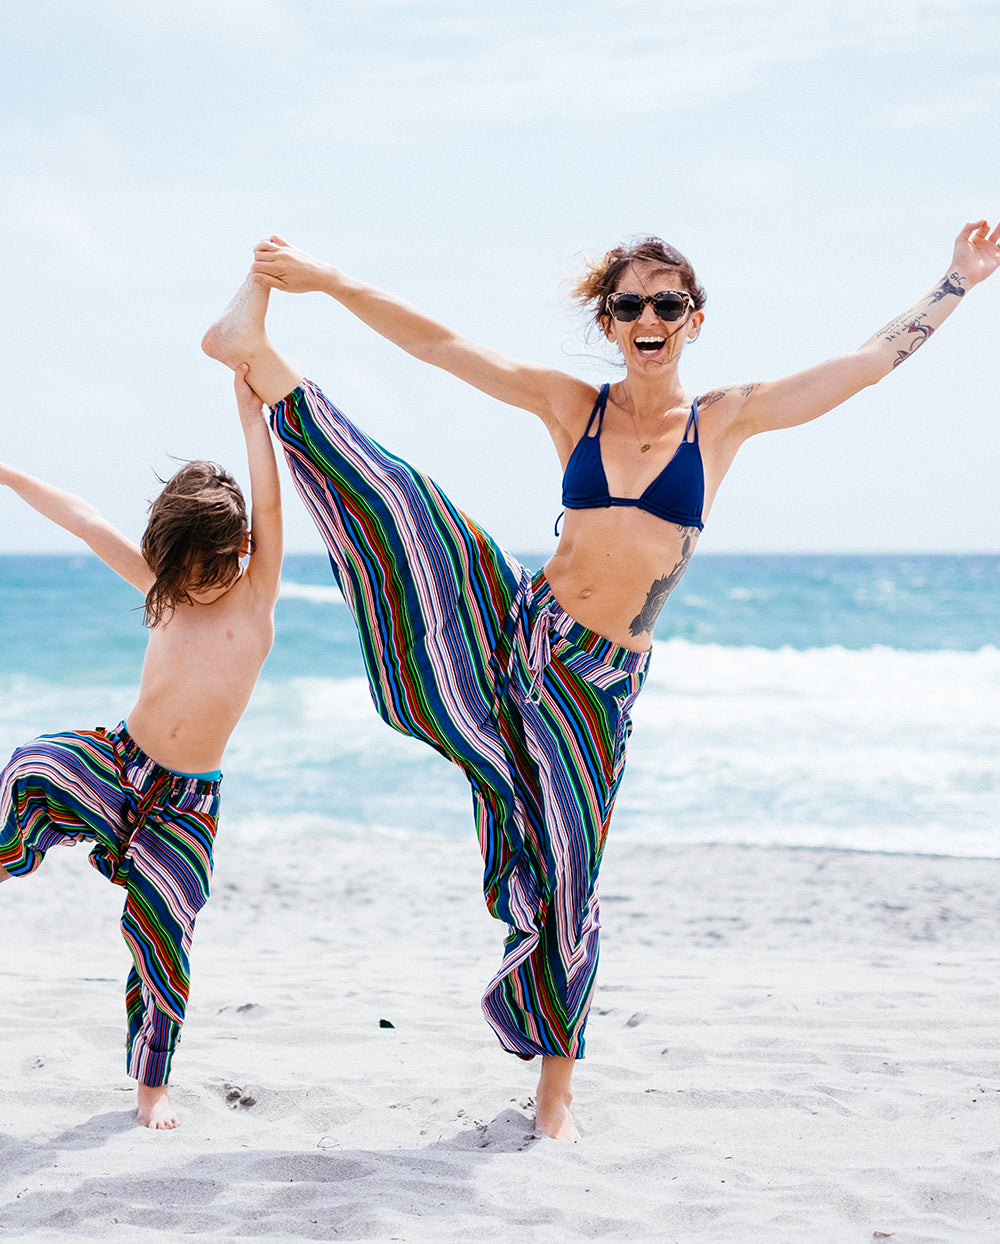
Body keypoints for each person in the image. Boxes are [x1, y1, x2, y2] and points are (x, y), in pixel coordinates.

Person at [202, 220, 999, 1140]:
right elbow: (442, 345)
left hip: (598, 683)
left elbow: (863, 364)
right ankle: (260, 359)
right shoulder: (570, 404)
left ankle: (554, 1092)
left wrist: (955, 283)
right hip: (520, 630)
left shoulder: (726, 417)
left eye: (667, 303)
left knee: (569, 874)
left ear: (693, 321)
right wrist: (329, 280)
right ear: (610, 322)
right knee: (403, 507)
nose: (648, 317)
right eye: (629, 305)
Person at [0, 364, 282, 1129]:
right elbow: (84, 518)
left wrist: (247, 408)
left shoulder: (256, 594)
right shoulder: (163, 586)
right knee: (28, 764)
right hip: (116, 765)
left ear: (241, 550)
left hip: (184, 810)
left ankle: (150, 1090)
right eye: (181, 572)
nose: (193, 587)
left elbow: (268, 491)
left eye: (208, 571)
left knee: (163, 941)